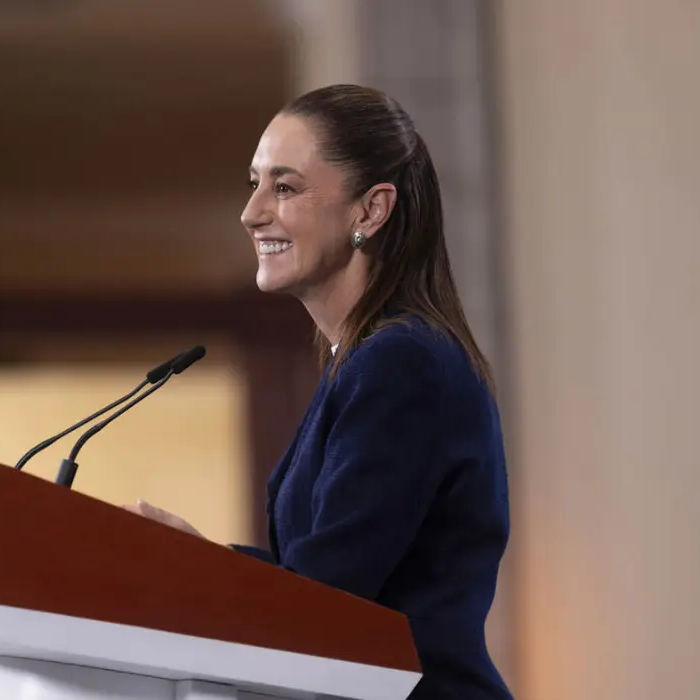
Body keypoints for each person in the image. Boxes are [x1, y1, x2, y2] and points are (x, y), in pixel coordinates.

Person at [124, 84, 512, 700]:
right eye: (254, 183)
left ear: (370, 211)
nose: (251, 212)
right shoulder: (366, 360)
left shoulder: (401, 362)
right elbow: (323, 578)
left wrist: (199, 570)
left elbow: (326, 602)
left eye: (285, 187)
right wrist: (197, 557)